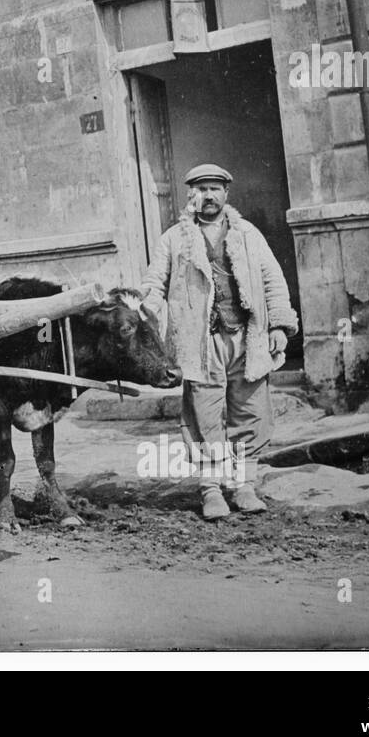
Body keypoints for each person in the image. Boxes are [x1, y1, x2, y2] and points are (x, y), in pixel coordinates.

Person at [140, 164, 299, 521]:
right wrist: (143, 315)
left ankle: (243, 486)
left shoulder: (247, 235)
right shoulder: (174, 240)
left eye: (215, 189)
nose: (208, 196)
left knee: (251, 410)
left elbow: (273, 280)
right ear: (190, 196)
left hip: (247, 337)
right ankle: (211, 491)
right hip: (202, 341)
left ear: (226, 194)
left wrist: (278, 326)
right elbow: (153, 284)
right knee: (204, 415)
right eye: (201, 190)